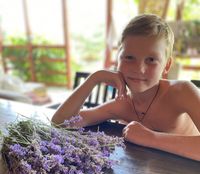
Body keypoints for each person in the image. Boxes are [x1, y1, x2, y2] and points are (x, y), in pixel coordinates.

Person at [52, 14, 200, 161]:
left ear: (166, 65)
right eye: (129, 57)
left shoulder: (182, 91)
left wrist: (150, 138)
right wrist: (94, 78)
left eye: (151, 60)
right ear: (118, 60)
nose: (139, 69)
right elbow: (61, 122)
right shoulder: (122, 104)